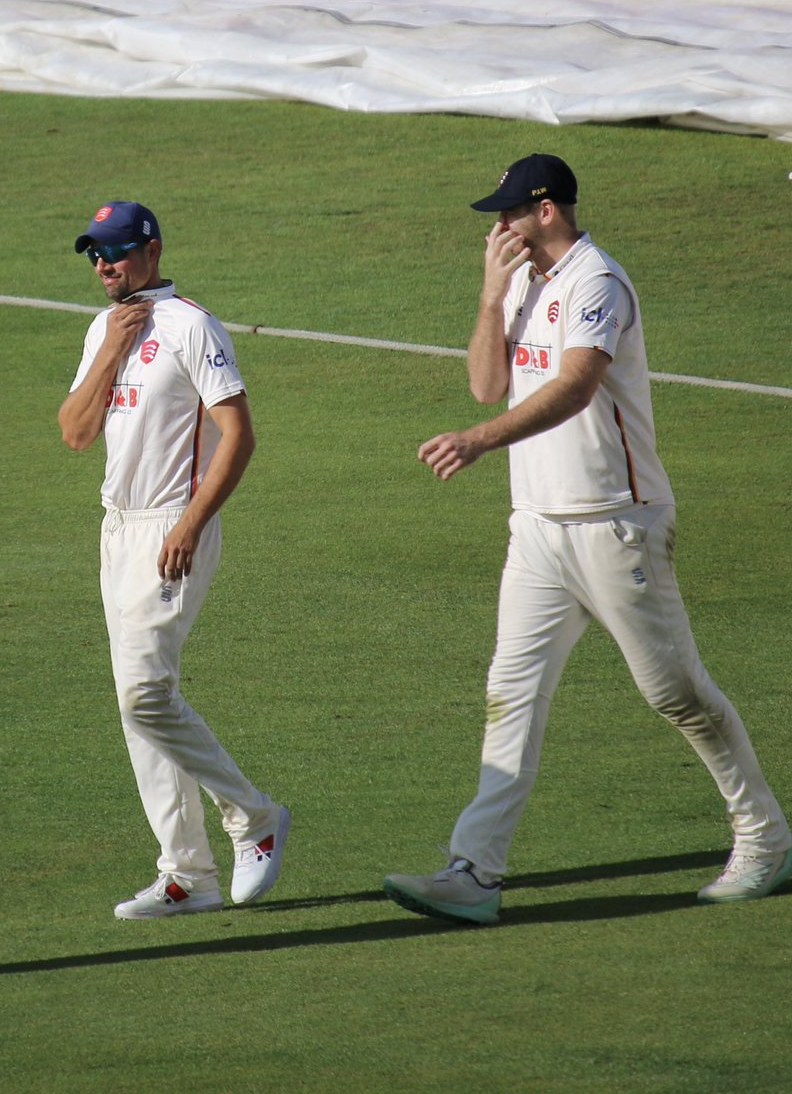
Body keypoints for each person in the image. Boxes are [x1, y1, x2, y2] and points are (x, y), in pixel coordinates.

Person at [383, 155, 791, 925]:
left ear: (546, 210)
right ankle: (475, 872)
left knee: (674, 693)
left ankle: (765, 837)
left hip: (615, 523)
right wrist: (489, 294)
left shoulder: (596, 282)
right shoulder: (523, 285)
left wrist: (478, 442)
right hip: (537, 529)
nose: (497, 227)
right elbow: (482, 382)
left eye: (508, 213)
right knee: (512, 693)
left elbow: (573, 387)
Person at [59, 201, 290, 919]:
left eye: (118, 251)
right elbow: (74, 432)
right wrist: (109, 352)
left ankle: (253, 817)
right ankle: (187, 874)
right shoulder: (105, 327)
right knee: (139, 707)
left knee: (144, 697)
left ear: (151, 251)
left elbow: (239, 434)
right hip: (117, 529)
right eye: (95, 254)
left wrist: (193, 522)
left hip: (172, 528)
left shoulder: (192, 325)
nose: (104, 265)